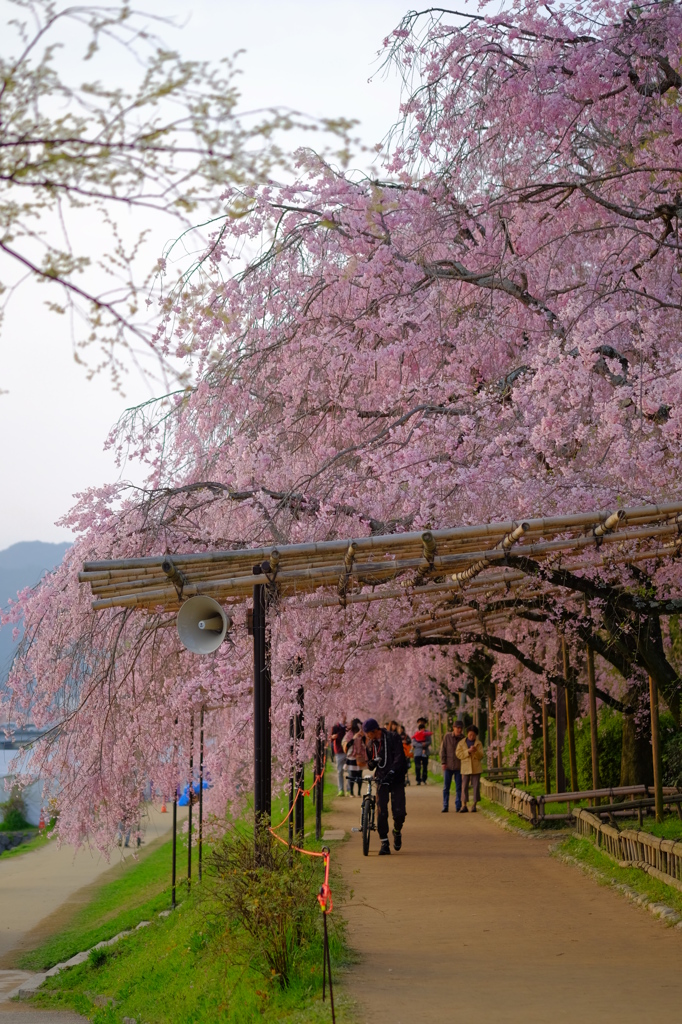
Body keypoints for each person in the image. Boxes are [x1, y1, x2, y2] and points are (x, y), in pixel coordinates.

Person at [363, 717, 407, 855]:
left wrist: (393, 771)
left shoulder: (393, 737)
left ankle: (397, 831)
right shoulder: (371, 744)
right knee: (381, 809)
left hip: (397, 777)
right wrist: (371, 764)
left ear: (375, 730)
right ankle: (384, 842)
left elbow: (400, 757)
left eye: (368, 733)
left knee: (399, 812)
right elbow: (370, 762)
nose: (367, 736)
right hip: (381, 778)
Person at [456, 724, 485, 812]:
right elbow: (458, 754)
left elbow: (481, 756)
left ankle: (474, 805)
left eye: (473, 735)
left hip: (476, 768)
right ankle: (464, 805)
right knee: (464, 786)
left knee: (476, 787)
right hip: (465, 767)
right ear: (467, 734)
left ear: (476, 735)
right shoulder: (461, 743)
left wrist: (475, 752)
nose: (471, 736)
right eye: (470, 734)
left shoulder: (478, 743)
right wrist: (467, 751)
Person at [440, 720, 465, 812]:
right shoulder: (447, 737)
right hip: (448, 766)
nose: (459, 730)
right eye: (457, 728)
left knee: (459, 787)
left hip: (459, 766)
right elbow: (443, 750)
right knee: (446, 787)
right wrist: (443, 762)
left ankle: (458, 805)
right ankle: (445, 805)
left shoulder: (463, 739)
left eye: (461, 728)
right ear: (454, 728)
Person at [343, 718, 366, 796]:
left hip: (360, 756)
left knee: (360, 775)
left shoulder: (362, 733)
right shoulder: (349, 734)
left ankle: (359, 792)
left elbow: (366, 744)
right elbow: (346, 745)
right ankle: (351, 792)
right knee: (352, 775)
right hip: (352, 757)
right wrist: (353, 738)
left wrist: (362, 737)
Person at [412, 717, 433, 785]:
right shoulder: (416, 732)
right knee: (417, 766)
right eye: (420, 722)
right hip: (417, 752)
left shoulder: (427, 732)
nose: (421, 723)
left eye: (422, 722)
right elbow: (414, 742)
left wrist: (425, 744)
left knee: (425, 766)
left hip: (425, 752)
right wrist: (421, 744)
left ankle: (424, 779)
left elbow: (429, 741)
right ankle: (418, 779)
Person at [331, 718, 348, 796]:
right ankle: (341, 790)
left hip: (348, 751)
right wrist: (333, 736)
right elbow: (330, 737)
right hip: (339, 751)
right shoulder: (335, 727)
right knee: (340, 771)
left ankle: (349, 789)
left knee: (349, 771)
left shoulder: (348, 726)